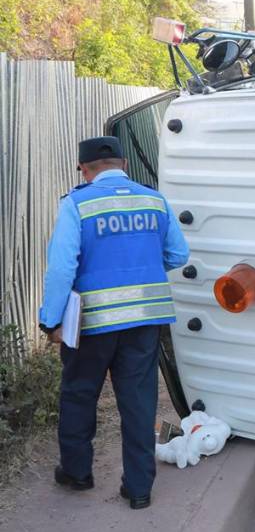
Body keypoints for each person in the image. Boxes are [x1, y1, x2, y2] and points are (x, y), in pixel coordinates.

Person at [38, 136, 189, 510]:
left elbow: (61, 268)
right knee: (139, 402)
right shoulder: (154, 200)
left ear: (83, 169)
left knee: (79, 394)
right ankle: (138, 489)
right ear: (124, 164)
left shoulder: (77, 204)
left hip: (91, 323)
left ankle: (77, 473)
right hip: (145, 319)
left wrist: (50, 321)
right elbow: (178, 254)